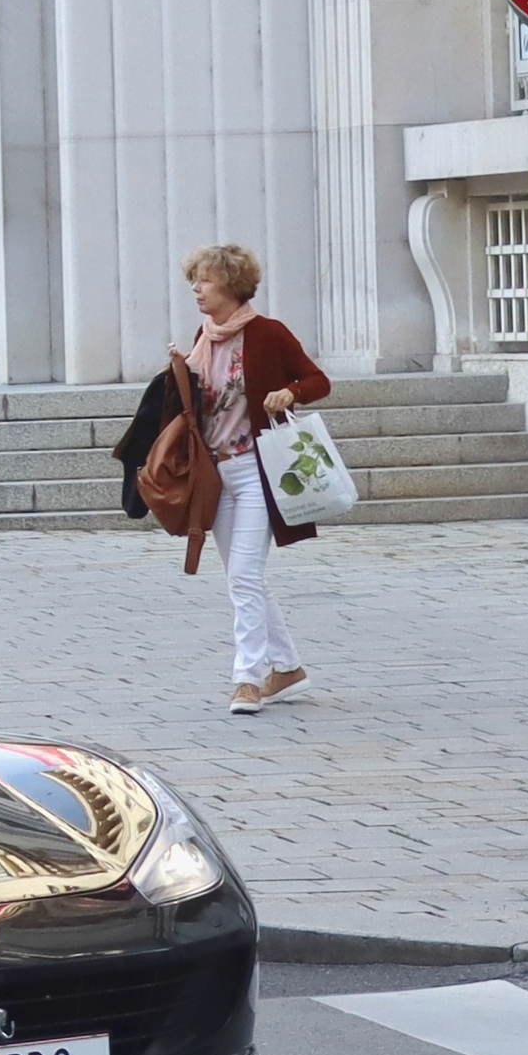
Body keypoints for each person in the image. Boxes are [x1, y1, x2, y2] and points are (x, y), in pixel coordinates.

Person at [170, 243, 330, 716]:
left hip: (258, 469)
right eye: (194, 281)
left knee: (243, 575)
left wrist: (289, 391)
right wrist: (179, 373)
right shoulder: (204, 336)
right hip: (215, 475)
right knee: (245, 578)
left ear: (231, 285)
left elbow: (318, 380)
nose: (197, 290)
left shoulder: (267, 333)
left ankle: (247, 678)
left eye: (205, 280)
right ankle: (289, 668)